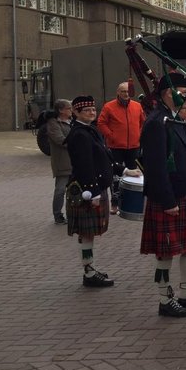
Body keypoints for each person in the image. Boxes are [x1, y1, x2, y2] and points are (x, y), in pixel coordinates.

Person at [140, 74, 186, 318]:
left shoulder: (177, 120)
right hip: (169, 198)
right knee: (165, 252)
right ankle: (165, 298)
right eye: (182, 91)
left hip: (185, 194)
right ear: (167, 93)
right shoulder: (156, 122)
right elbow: (155, 166)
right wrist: (167, 200)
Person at [66, 95, 139, 288]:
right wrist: (93, 192)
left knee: (88, 233)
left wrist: (124, 170)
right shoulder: (79, 134)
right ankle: (89, 273)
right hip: (87, 191)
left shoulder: (91, 130)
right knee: (87, 233)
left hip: (93, 188)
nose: (92, 112)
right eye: (86, 110)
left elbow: (103, 157)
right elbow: (84, 166)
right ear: (76, 112)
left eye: (93, 109)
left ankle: (89, 269)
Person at [97, 81, 145, 213]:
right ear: (118, 92)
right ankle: (115, 203)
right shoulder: (109, 107)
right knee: (116, 176)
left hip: (134, 146)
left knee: (134, 174)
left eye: (128, 91)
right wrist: (111, 135)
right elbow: (101, 123)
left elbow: (143, 122)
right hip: (115, 146)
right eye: (123, 91)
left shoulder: (137, 106)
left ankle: (132, 202)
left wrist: (139, 135)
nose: (126, 94)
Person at [47, 98, 73, 225]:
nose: (71, 110)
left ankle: (72, 214)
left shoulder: (72, 122)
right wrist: (78, 142)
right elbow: (60, 140)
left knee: (73, 190)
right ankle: (58, 215)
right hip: (62, 162)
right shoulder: (53, 123)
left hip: (74, 161)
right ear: (61, 110)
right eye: (69, 108)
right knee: (60, 190)